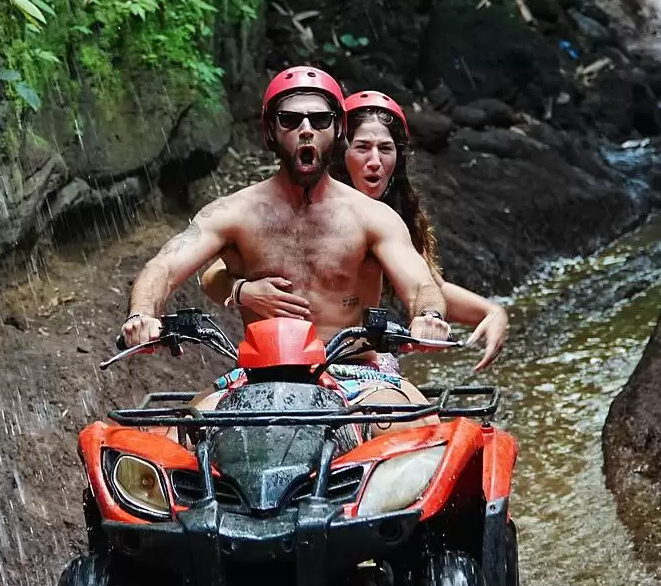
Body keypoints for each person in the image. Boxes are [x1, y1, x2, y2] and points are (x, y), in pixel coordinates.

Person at [120, 66, 451, 413]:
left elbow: (420, 285)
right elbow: (163, 266)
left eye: (320, 120)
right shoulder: (234, 213)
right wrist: (142, 315)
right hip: (260, 376)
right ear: (270, 132)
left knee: (416, 434)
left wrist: (428, 316)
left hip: (357, 375)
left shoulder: (372, 217)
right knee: (186, 436)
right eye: (291, 120)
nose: (306, 130)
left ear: (338, 130)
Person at [200, 90, 509, 373]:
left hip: (357, 360)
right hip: (278, 359)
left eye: (385, 149)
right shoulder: (299, 201)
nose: (374, 162)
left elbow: (428, 288)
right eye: (362, 148)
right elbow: (214, 276)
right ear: (338, 150)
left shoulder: (391, 217)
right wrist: (243, 291)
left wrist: (488, 312)